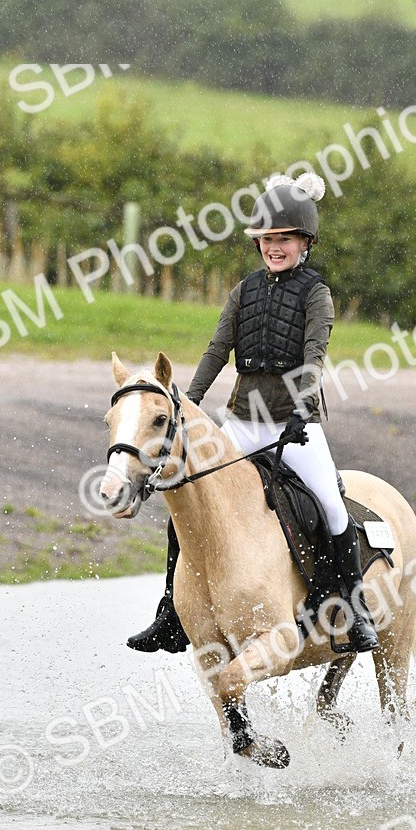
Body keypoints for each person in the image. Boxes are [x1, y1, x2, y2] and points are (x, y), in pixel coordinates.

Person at [127, 172, 380, 655]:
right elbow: (217, 349)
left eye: (283, 239)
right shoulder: (243, 291)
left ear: (304, 242)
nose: (273, 247)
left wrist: (303, 412)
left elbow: (314, 356)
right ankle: (170, 613)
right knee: (187, 498)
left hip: (293, 423)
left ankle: (353, 608)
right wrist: (188, 402)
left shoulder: (316, 294)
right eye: (266, 239)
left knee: (330, 503)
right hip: (243, 421)